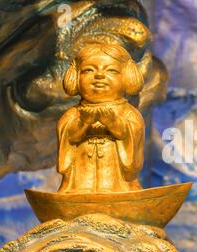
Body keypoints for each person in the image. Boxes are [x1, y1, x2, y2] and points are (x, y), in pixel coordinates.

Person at [57, 44, 145, 193]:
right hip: (80, 174)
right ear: (77, 77)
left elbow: (133, 136)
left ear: (126, 76)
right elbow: (68, 137)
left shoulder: (128, 113)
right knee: (79, 192)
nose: (99, 75)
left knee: (115, 191)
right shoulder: (74, 113)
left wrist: (113, 123)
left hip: (115, 178)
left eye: (111, 70)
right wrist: (83, 122)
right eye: (89, 70)